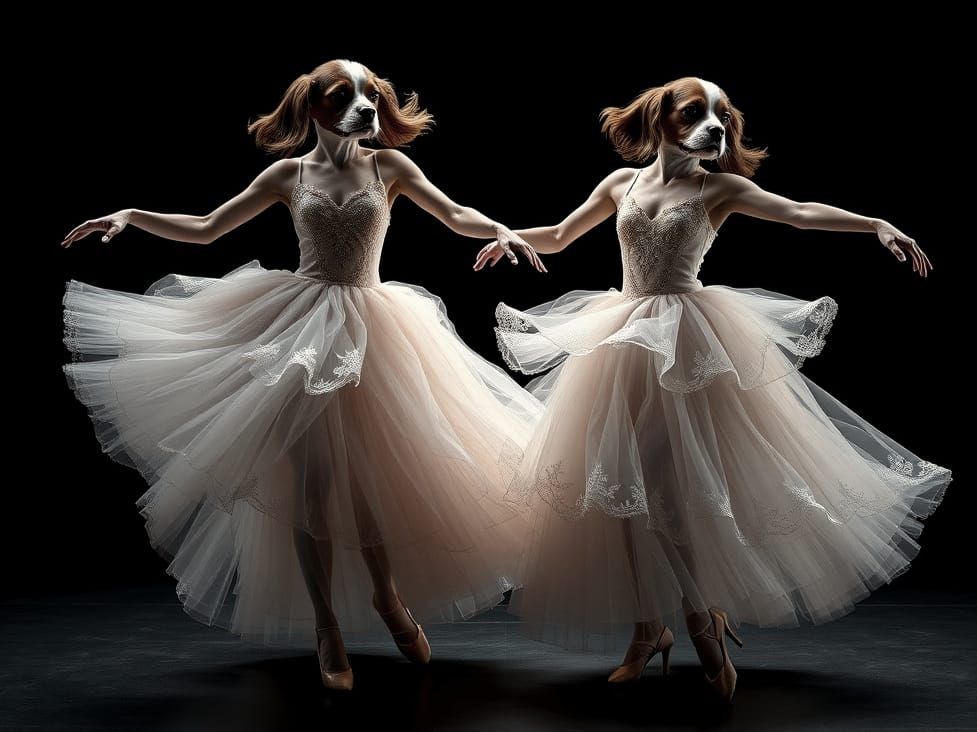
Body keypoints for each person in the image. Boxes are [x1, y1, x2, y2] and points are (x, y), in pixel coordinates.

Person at [61, 59, 544, 692]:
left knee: (371, 481)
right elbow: (209, 229)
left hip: (377, 328)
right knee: (311, 487)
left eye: (371, 96)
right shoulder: (288, 174)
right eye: (347, 97)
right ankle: (327, 628)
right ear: (312, 109)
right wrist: (133, 214)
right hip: (302, 329)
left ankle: (386, 595)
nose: (366, 107)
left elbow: (455, 215)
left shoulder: (388, 167)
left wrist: (501, 230)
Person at [478, 77, 951, 701]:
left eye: (722, 119)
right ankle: (650, 631)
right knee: (618, 492)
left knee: (661, 493)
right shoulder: (621, 185)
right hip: (622, 338)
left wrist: (875, 224)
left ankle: (702, 626)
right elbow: (561, 235)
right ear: (662, 120)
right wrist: (509, 235)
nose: (715, 128)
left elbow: (798, 213)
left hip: (688, 342)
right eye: (697, 114)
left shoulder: (718, 187)